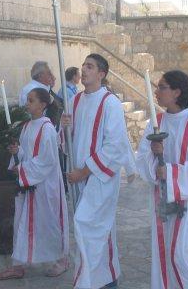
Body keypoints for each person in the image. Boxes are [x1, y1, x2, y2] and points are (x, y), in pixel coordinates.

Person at [136, 70, 188, 289]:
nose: (157, 91)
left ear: (177, 92)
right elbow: (141, 159)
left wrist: (169, 172)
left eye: (162, 87)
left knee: (180, 257)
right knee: (164, 255)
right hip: (163, 203)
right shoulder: (157, 121)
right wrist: (153, 154)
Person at [63, 54, 135, 289]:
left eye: (90, 67)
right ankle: (100, 279)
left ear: (101, 74)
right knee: (89, 231)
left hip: (99, 180)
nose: (83, 70)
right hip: (79, 177)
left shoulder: (110, 103)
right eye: (83, 65)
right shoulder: (74, 102)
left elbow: (114, 147)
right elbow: (67, 142)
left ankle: (99, 281)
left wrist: (84, 172)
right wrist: (63, 129)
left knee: (92, 228)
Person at [0, 88, 69, 280]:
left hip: (44, 186)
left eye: (31, 100)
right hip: (28, 183)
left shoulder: (48, 129)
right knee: (21, 221)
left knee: (48, 222)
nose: (27, 104)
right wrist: (16, 152)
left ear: (42, 105)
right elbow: (25, 155)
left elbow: (48, 160)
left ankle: (61, 260)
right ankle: (18, 264)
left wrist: (24, 170)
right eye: (27, 100)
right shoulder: (27, 126)